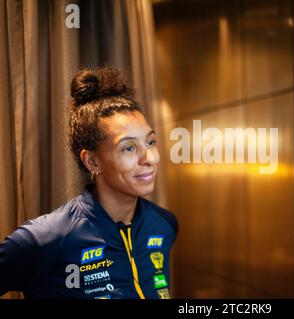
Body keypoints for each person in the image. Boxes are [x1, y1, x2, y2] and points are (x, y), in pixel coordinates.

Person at [0, 67, 178, 299]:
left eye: (151, 142)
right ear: (92, 160)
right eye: (129, 147)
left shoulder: (164, 224)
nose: (150, 158)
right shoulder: (48, 238)